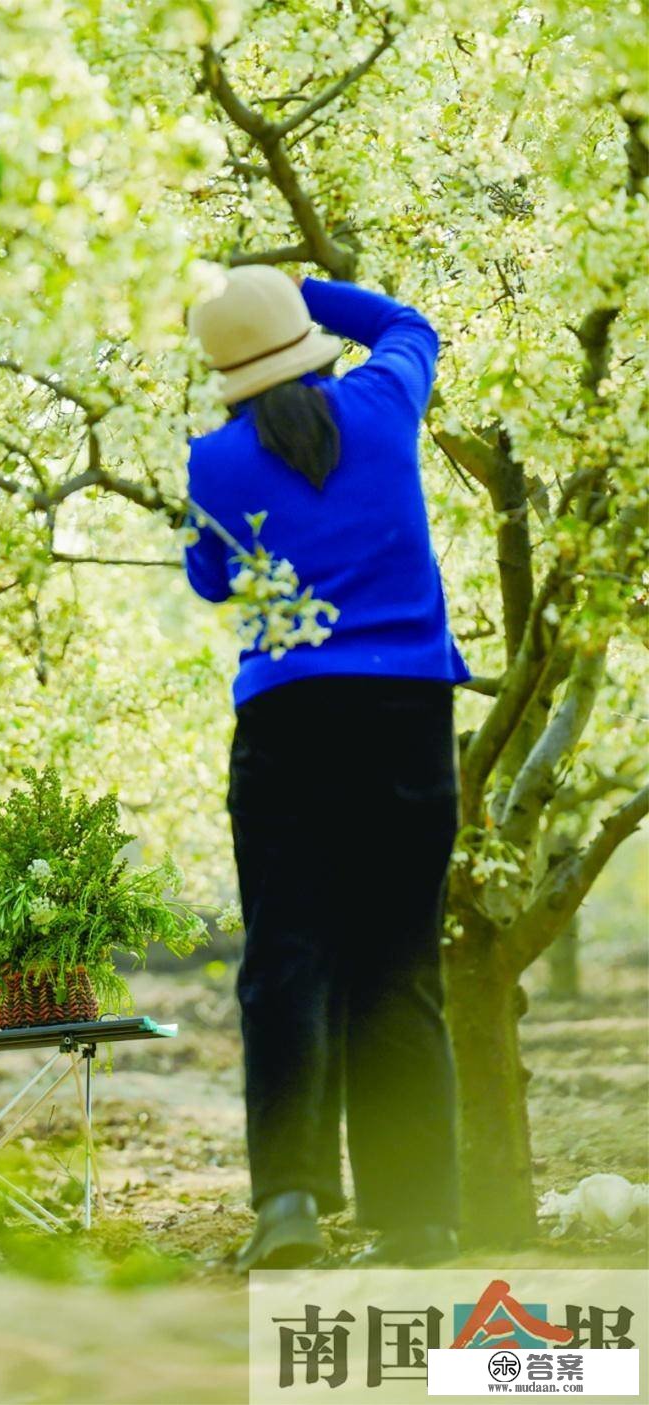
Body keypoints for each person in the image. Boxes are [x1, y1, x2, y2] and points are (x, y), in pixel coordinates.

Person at [184, 268, 469, 1268]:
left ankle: (292, 1204)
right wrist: (296, 285)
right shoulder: (385, 401)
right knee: (399, 963)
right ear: (308, 339)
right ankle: (421, 1215)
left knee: (287, 961)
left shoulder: (213, 461)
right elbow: (407, 318)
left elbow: (211, 578)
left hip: (290, 726)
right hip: (406, 718)